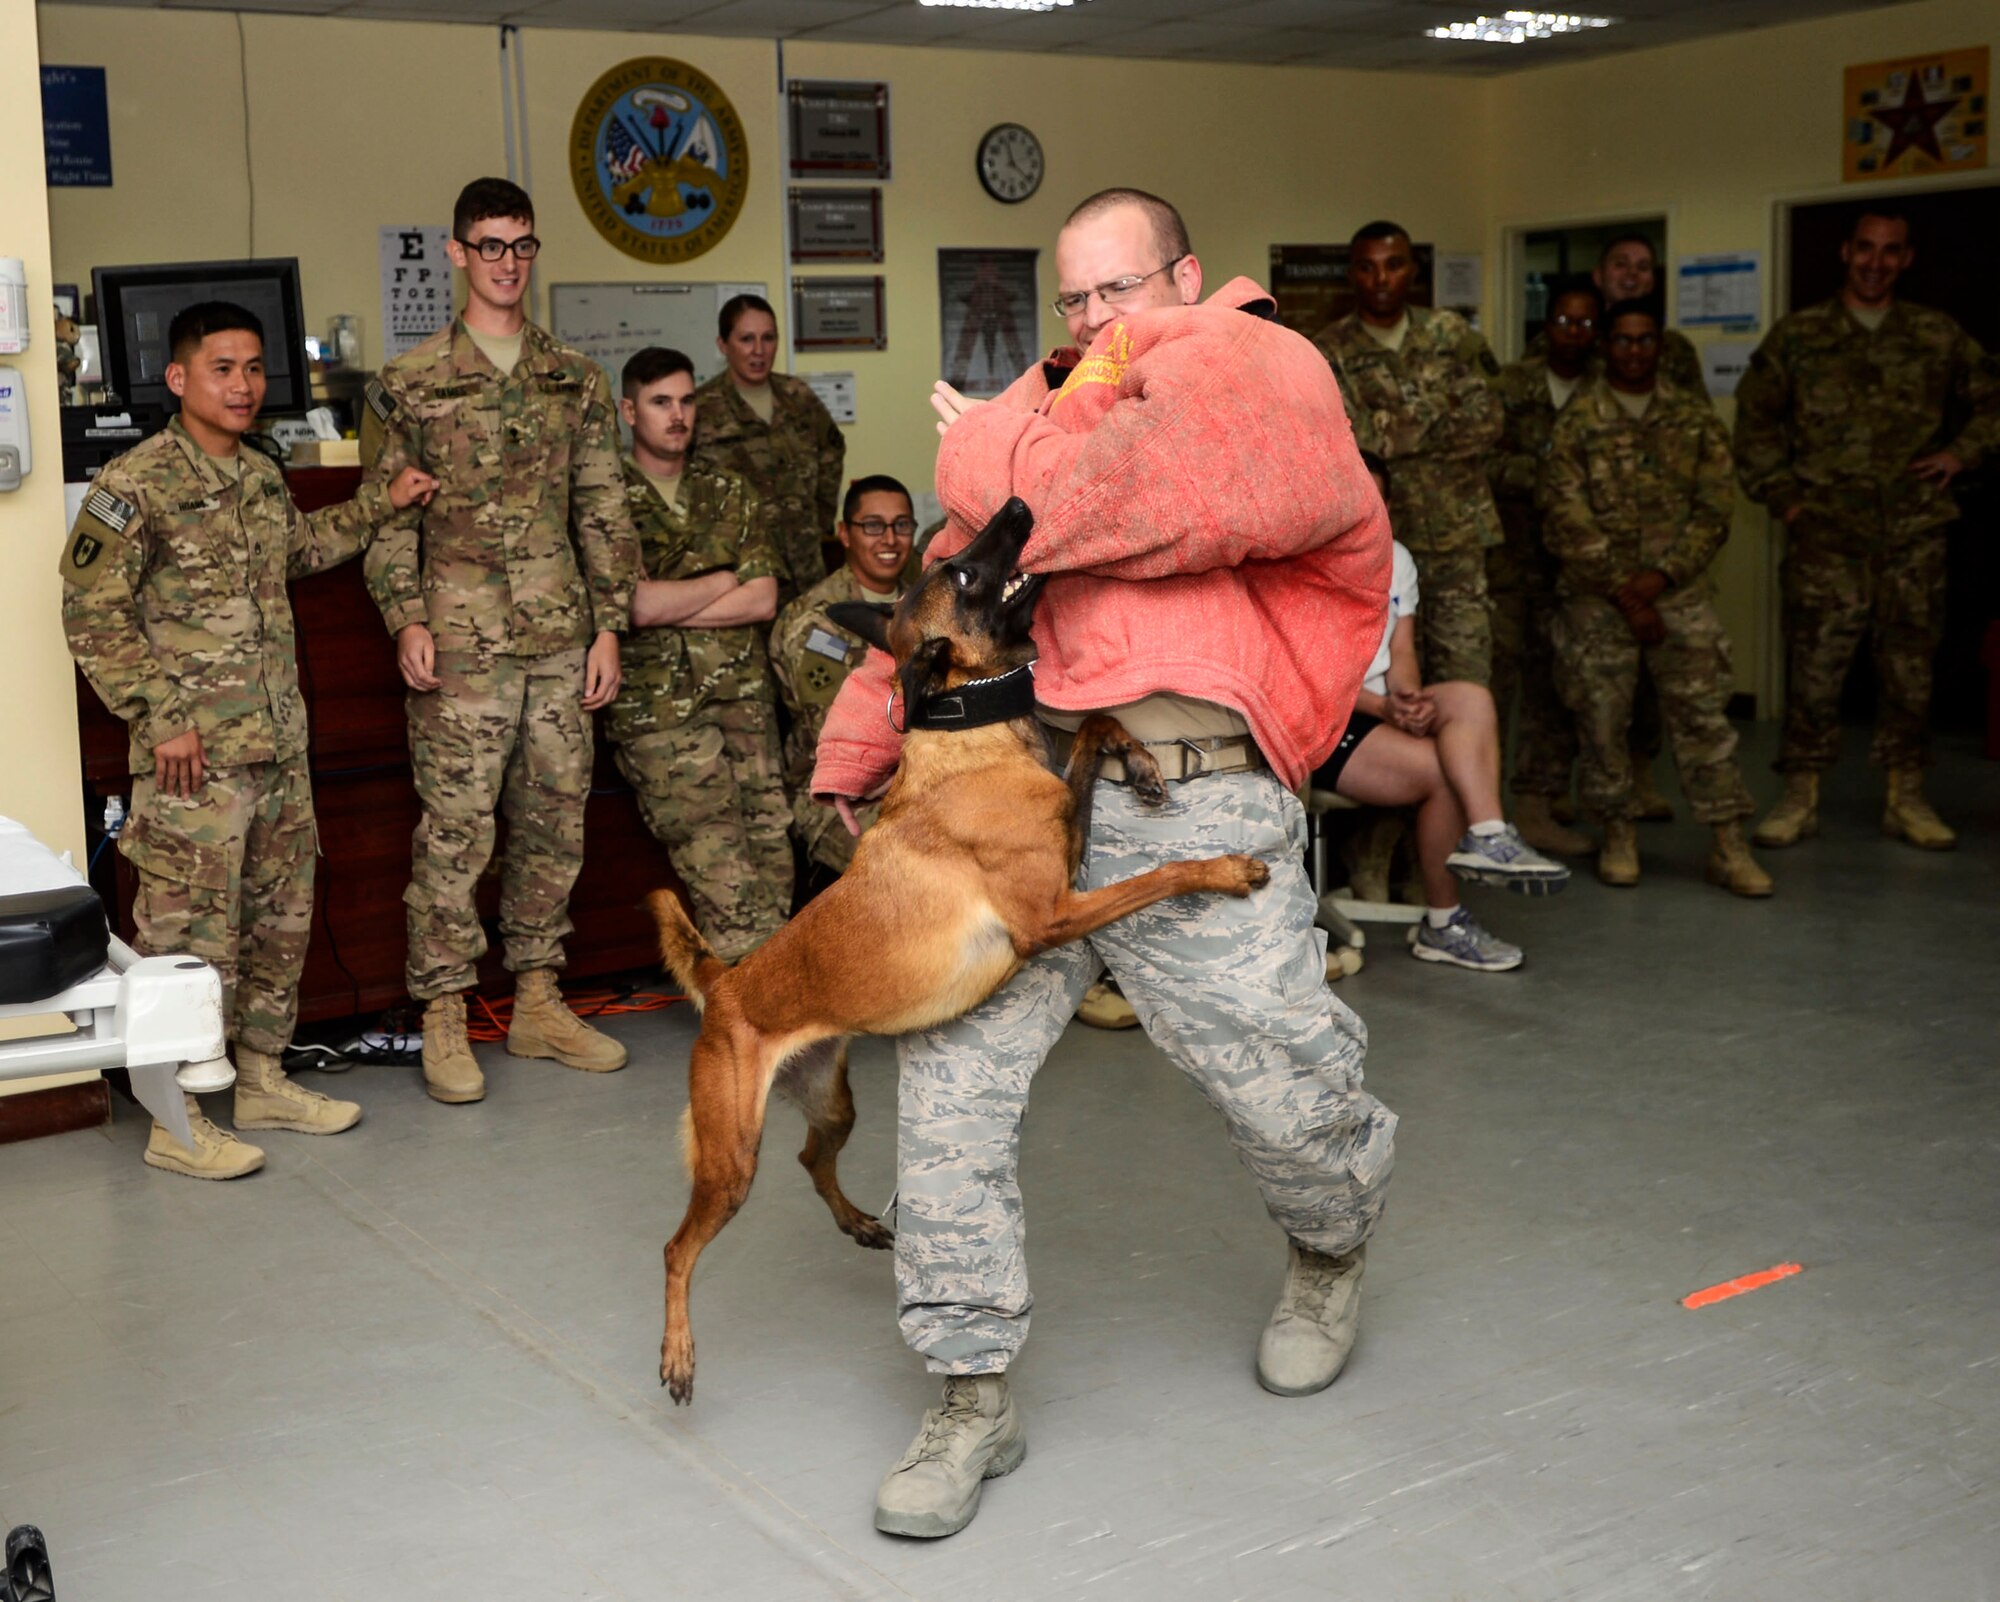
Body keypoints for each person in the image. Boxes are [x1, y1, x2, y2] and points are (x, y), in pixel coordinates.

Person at [814, 187, 1398, 1540]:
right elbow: (944, 594)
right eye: (1069, 301)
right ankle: (970, 1386)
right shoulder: (1060, 409)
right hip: (1020, 804)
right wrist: (857, 755)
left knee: (1288, 1088)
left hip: (1199, 811)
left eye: (1116, 291)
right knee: (948, 1089)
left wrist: (1002, 445)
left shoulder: (1257, 373)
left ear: (1185, 279)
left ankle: (1330, 1242)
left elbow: (1122, 497)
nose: (1089, 323)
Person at [61, 301, 436, 1178]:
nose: (244, 385)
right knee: (185, 942)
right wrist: (161, 716)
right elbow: (89, 608)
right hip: (194, 762)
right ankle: (174, 1119)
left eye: (255, 369)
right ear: (179, 378)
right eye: (223, 368)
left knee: (278, 925)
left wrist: (384, 499)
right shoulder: (134, 483)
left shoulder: (262, 477)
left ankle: (262, 1076)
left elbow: (299, 549)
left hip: (278, 751)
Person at [363, 177, 642, 1105]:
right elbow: (387, 521)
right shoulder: (408, 384)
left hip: (561, 637)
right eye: (489, 246)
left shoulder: (576, 377)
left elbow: (603, 506)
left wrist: (609, 624)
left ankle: (536, 1000)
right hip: (461, 644)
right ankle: (444, 1013)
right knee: (456, 831)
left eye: (521, 246)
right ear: (456, 253)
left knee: (556, 821)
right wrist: (405, 615)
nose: (508, 263)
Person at [1734, 207, 1999, 851]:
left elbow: (1993, 402)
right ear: (1845, 252)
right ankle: (1800, 796)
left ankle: (1906, 797)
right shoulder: (1798, 336)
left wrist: (1962, 453)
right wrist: (1787, 502)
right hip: (1825, 534)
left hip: (1913, 534)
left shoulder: (1937, 335)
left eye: (1891, 252)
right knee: (1814, 671)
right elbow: (1755, 426)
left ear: (1907, 259)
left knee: (1910, 671)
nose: (1876, 262)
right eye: (1866, 249)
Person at [1542, 299, 1771, 896]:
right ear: (1607, 346)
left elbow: (1716, 507)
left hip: (1678, 589)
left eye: (1646, 341)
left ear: (1660, 346)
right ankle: (1618, 831)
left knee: (1704, 716)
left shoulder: (1693, 417)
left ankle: (1728, 841)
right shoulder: (1577, 420)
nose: (1635, 351)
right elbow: (1564, 512)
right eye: (1623, 340)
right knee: (1603, 719)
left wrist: (1660, 580)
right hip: (1598, 595)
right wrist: (1626, 590)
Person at [1318, 453, 1568, 972]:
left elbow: (1401, 652)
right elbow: (1308, 674)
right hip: (1326, 718)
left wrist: (1406, 699)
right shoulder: (1305, 564)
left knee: (1471, 697)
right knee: (1442, 773)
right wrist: (1382, 707)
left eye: (1379, 497)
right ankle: (1444, 925)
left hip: (1381, 708)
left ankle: (1490, 833)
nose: (1370, 507)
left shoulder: (1398, 559)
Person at [609, 346, 791, 962]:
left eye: (686, 401)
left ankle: (764, 1003)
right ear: (629, 411)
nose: (678, 415)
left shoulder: (729, 491)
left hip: (742, 696)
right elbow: (633, 608)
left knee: (771, 845)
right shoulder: (605, 497)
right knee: (720, 864)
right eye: (661, 402)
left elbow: (763, 597)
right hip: (660, 711)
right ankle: (766, 1006)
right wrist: (720, 580)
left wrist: (670, 598)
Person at [1313, 220, 1505, 687]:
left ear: (1414, 271)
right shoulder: (1327, 351)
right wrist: (1440, 413)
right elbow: (1346, 445)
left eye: (1394, 265)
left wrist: (1388, 425)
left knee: (1467, 676)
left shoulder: (1451, 334)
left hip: (1458, 537)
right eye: (1368, 267)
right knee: (1385, 679)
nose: (1381, 279)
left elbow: (1490, 419)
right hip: (1376, 543)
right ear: (1351, 275)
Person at [1487, 282, 1594, 856]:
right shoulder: (1511, 386)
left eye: (1584, 324)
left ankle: (1538, 804)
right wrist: (1552, 476)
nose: (1573, 334)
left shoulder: (1607, 388)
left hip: (1579, 570)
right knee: (1496, 692)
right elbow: (1483, 459)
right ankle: (1485, 812)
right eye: (1562, 320)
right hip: (1511, 565)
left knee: (1559, 691)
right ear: (1545, 324)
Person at [771, 473, 915, 878]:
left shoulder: (923, 607)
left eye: (901, 525)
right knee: (908, 859)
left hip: (914, 776)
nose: (889, 539)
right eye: (873, 525)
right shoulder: (813, 623)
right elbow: (838, 737)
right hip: (836, 796)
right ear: (845, 534)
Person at [689, 294, 846, 604]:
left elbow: (831, 448)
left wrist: (819, 519)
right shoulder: (701, 409)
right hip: (740, 575)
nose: (759, 350)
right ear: (723, 345)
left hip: (805, 567)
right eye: (746, 339)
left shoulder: (797, 397)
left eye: (768, 338)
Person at [1527, 232, 1706, 396]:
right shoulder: (1559, 339)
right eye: (1621, 264)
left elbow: (1697, 414)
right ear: (1598, 276)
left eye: (1643, 267)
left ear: (1651, 281)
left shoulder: (1674, 347)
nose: (1632, 273)